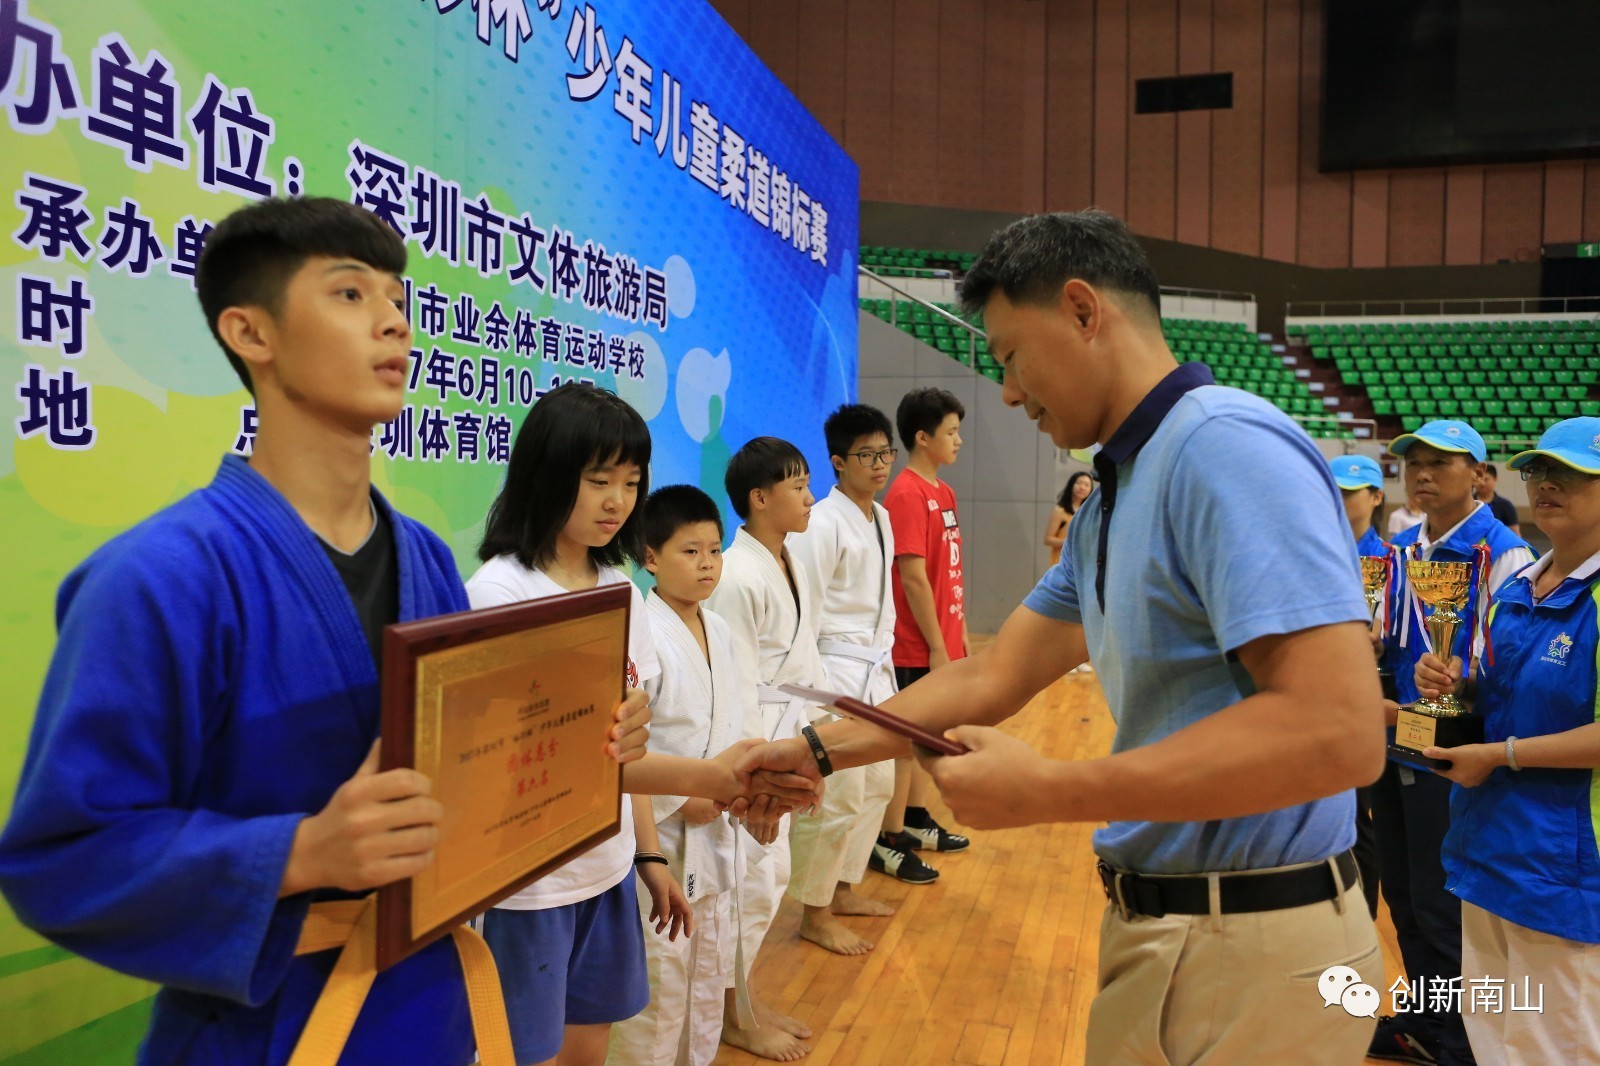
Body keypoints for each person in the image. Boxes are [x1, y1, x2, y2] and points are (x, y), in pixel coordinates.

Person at [0, 198, 648, 1065]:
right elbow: (61, 859)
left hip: (432, 1001)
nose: (392, 321)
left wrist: (587, 739)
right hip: (264, 1029)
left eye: (397, 298)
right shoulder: (157, 576)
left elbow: (464, 770)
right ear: (251, 333)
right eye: (349, 294)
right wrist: (299, 851)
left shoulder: (422, 557)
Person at [736, 209, 1388, 1065]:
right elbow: (997, 672)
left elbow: (1338, 733)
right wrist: (815, 751)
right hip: (1175, 927)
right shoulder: (1115, 497)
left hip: (1255, 941)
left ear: (1084, 311)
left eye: (1009, 355)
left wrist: (1055, 789)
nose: (1006, 391)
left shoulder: (1225, 449)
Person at [467, 385, 815, 1066]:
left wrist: (645, 856)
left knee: (591, 1047)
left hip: (606, 865)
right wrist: (712, 776)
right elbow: (552, 755)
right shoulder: (501, 592)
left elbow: (627, 742)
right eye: (598, 479)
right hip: (532, 881)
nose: (616, 500)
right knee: (521, 1052)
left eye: (630, 481)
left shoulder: (616, 587)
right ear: (546, 473)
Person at [1414, 417, 1600, 1066]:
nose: (1547, 484)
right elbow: (1496, 699)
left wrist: (1499, 756)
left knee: (1557, 1047)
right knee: (1497, 1042)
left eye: (1572, 474)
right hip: (1488, 849)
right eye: (1540, 472)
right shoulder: (1517, 591)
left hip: (1567, 870)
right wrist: (1451, 682)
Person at [1372, 420, 1534, 1066]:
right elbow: (1388, 637)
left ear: (1480, 477)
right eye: (1414, 461)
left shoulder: (1506, 554)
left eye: (1441, 462)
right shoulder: (1403, 549)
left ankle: (1462, 1039)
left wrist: (1463, 678)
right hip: (1399, 735)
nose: (1422, 473)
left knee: (1443, 902)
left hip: (1459, 754)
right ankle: (1427, 1020)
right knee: (1405, 895)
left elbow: (1510, 666)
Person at [607, 485, 750, 1066]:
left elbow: (738, 719)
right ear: (650, 557)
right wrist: (680, 797)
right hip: (661, 832)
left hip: (714, 828)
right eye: (690, 552)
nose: (707, 564)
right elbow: (627, 748)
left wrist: (740, 787)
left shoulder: (721, 631)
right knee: (660, 977)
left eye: (714, 551)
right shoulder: (643, 629)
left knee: (707, 969)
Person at [706, 436, 825, 1061]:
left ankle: (743, 997)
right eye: (799, 487)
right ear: (759, 498)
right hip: (754, 746)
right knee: (748, 887)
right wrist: (753, 776)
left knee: (768, 883)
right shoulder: (737, 573)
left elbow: (803, 658)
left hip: (794, 731)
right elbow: (734, 682)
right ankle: (734, 1014)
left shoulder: (790, 560)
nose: (811, 497)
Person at [786, 404, 901, 952]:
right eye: (866, 456)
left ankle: (847, 885)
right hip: (834, 670)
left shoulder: (881, 518)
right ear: (838, 462)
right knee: (839, 794)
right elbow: (805, 607)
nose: (879, 465)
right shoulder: (824, 521)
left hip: (875, 666)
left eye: (885, 453)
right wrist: (811, 690)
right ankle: (815, 910)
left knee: (877, 783)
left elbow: (883, 607)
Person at [872, 387, 972, 882]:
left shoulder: (945, 492)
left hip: (944, 640)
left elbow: (948, 572)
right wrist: (935, 644)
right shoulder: (907, 493)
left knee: (930, 737)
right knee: (905, 742)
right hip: (916, 644)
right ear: (922, 436)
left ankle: (913, 818)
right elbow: (912, 575)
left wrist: (960, 636)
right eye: (951, 432)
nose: (958, 441)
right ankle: (888, 838)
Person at [1330, 453, 1388, 922]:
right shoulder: (1318, 551)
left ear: (1376, 497)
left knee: (1361, 822)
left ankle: (1363, 919)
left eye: (1350, 491)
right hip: (1321, 703)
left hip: (1369, 706)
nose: (1340, 499)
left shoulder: (1392, 560)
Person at [1043, 470, 1095, 567]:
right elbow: (1048, 539)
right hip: (1062, 563)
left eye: (1087, 485)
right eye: (1079, 483)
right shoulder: (1060, 511)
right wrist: (1072, 542)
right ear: (1071, 485)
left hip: (1083, 564)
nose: (1082, 487)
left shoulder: (1089, 513)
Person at [1475, 462, 1521, 537]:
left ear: (1495, 479)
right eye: (1479, 479)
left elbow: (1515, 534)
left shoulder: (1505, 505)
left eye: (1486, 479)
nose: (1482, 483)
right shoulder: (1467, 503)